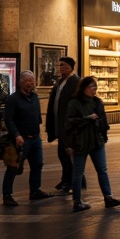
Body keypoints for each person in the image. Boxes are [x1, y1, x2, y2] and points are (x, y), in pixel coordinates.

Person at [65, 76, 120, 212]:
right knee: (78, 172)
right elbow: (69, 123)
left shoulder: (97, 102)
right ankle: (77, 201)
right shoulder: (74, 103)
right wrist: (86, 119)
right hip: (80, 141)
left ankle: (108, 197)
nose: (94, 90)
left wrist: (103, 134)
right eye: (92, 87)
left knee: (102, 170)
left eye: (95, 87)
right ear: (84, 88)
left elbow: (103, 120)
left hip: (96, 140)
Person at [1, 69, 51, 207]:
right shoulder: (13, 99)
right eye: (28, 81)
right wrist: (16, 135)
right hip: (20, 139)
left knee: (37, 164)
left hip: (35, 138)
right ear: (21, 82)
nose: (30, 84)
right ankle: (7, 195)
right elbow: (8, 119)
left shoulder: (34, 97)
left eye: (32, 81)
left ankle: (35, 190)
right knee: (13, 167)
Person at [45, 55, 81, 194]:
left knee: (67, 153)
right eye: (60, 65)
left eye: (65, 65)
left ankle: (71, 180)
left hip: (69, 125)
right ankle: (66, 179)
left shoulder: (75, 82)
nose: (61, 68)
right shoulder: (60, 82)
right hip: (59, 124)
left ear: (71, 67)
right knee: (62, 153)